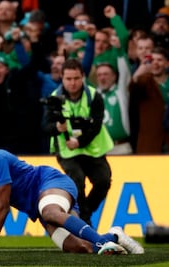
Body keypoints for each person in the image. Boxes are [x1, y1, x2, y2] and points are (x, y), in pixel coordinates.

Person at [0, 144, 144, 255]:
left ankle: (101, 241)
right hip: (38, 205)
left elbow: (2, 207)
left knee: (50, 212)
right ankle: (115, 236)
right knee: (79, 247)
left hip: (50, 182)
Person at [44, 58, 113, 226]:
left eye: (76, 78)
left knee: (104, 181)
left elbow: (96, 126)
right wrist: (56, 128)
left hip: (92, 147)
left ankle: (84, 212)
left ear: (83, 76)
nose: (72, 83)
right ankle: (84, 220)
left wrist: (79, 142)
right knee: (77, 179)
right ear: (61, 77)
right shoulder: (54, 98)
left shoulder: (94, 96)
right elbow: (45, 126)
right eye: (68, 79)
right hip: (67, 151)